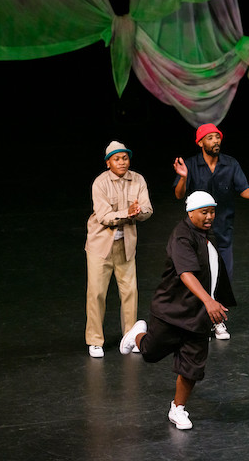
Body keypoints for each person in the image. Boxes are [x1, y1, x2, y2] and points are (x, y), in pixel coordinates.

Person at [120, 191, 236, 430]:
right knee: (151, 353)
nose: (209, 217)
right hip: (172, 310)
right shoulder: (181, 236)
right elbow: (186, 273)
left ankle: (178, 408)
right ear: (190, 212)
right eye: (204, 212)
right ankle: (137, 335)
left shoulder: (205, 234)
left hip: (197, 316)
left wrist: (213, 301)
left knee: (193, 367)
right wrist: (208, 301)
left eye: (212, 211)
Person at [172, 123, 249, 341]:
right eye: (210, 138)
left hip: (223, 230)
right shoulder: (190, 165)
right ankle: (198, 323)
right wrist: (182, 176)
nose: (215, 141)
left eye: (217, 137)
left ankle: (217, 322)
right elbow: (179, 195)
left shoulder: (230, 164)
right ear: (200, 142)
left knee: (223, 276)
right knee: (199, 277)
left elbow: (243, 189)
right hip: (197, 234)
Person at [84, 141, 153, 358]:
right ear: (108, 163)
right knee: (96, 293)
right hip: (100, 247)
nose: (122, 162)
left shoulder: (138, 180)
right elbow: (104, 216)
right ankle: (95, 340)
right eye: (117, 159)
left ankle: (130, 337)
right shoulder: (100, 183)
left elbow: (148, 209)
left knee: (130, 292)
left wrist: (138, 212)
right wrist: (127, 212)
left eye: (125, 158)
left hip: (126, 246)